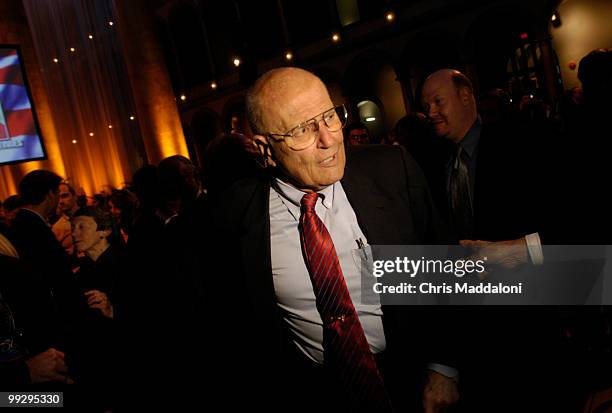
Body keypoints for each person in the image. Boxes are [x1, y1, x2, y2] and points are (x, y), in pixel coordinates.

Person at [202, 67, 455, 412]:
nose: (329, 138)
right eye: (303, 130)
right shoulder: (233, 217)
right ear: (264, 148)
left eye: (330, 117)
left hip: (413, 380)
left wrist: (444, 367)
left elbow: (445, 274)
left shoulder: (392, 170)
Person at [52, 182, 80, 256]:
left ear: (75, 196)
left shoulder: (92, 215)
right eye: (57, 198)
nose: (60, 201)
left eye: (64, 196)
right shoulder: (57, 228)